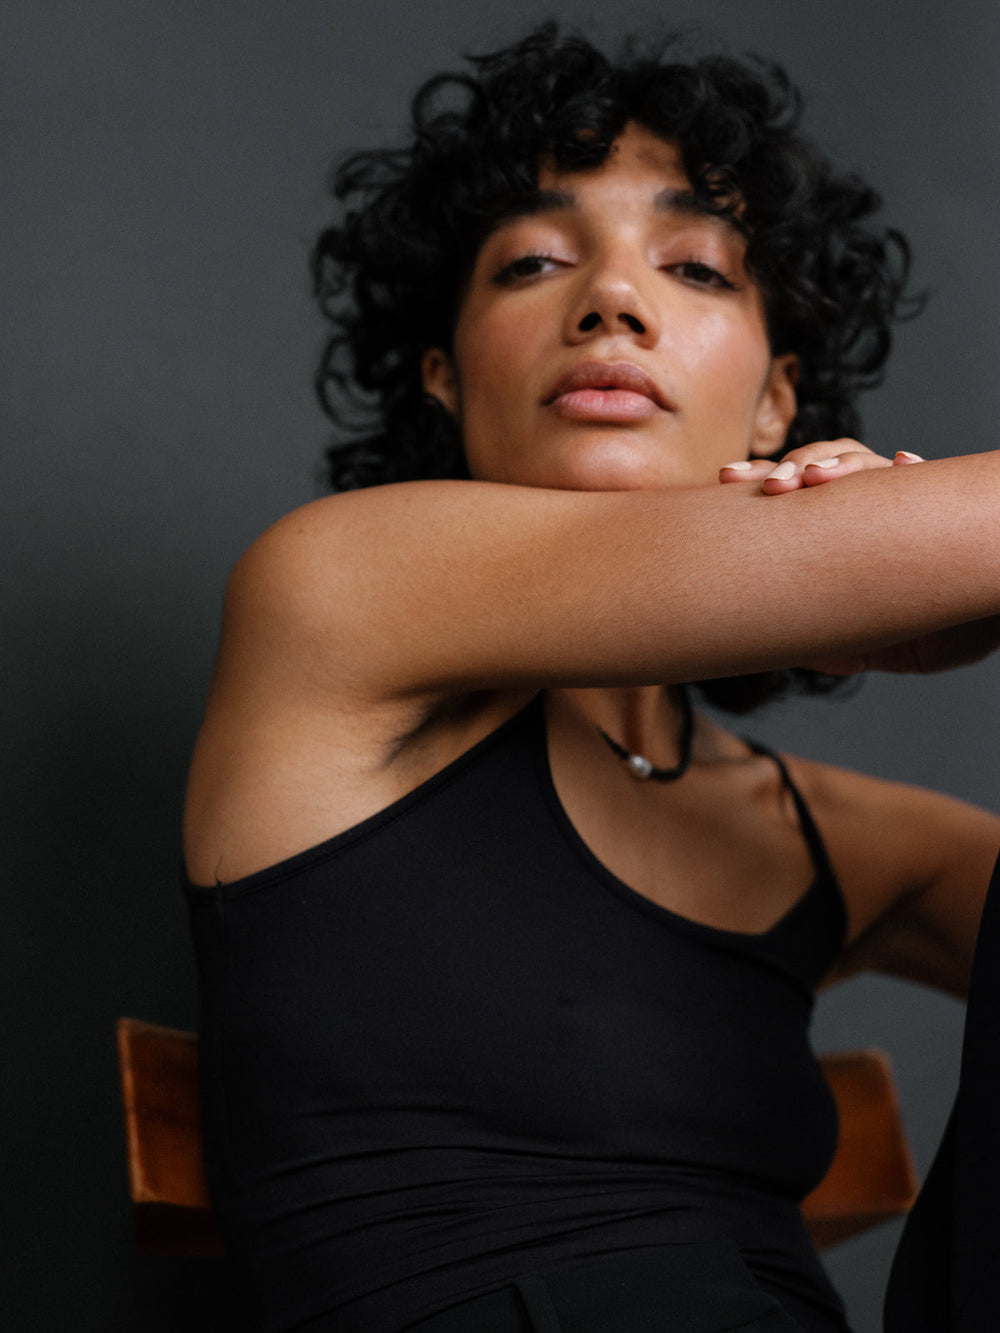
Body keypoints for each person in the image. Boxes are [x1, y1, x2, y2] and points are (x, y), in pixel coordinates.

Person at [182, 26, 1000, 1333]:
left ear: (778, 401)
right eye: (534, 262)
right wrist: (929, 558)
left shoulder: (820, 836)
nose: (613, 299)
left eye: (695, 267)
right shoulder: (335, 592)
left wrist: (941, 579)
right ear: (444, 375)